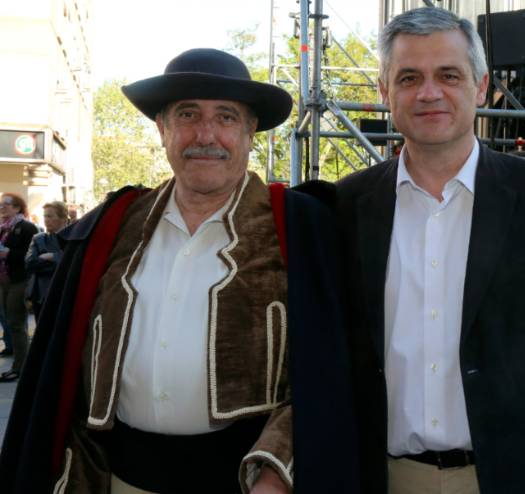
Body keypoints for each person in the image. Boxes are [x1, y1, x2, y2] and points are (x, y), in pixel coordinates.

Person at [0, 48, 358, 493]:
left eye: (226, 117)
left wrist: (278, 468)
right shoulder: (112, 226)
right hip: (118, 480)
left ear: (250, 132)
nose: (205, 134)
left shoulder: (301, 228)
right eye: (188, 115)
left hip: (248, 483)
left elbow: (331, 372)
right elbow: (63, 368)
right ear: (162, 128)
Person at [336, 7, 525, 493]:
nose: (429, 92)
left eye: (448, 75)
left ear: (481, 86)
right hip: (385, 478)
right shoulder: (346, 205)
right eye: (409, 78)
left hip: (520, 479)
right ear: (385, 92)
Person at [0, 193, 38, 382]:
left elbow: (30, 255)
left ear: (17, 207)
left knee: (16, 324)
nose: (2, 207)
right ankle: (21, 365)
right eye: (1, 204)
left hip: (19, 280)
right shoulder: (3, 228)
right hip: (4, 281)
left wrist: (8, 253)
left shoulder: (27, 227)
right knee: (10, 322)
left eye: (6, 204)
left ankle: (20, 368)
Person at [25, 201, 68, 321]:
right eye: (44, 216)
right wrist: (56, 262)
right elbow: (29, 264)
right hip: (41, 294)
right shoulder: (39, 239)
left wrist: (52, 256)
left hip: (65, 292)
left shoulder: (72, 238)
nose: (46, 220)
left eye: (50, 216)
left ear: (63, 219)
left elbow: (70, 264)